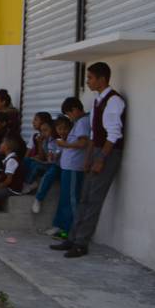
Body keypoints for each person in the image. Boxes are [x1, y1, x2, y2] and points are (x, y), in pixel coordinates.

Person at [52, 62, 125, 258]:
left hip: (108, 154)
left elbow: (113, 134)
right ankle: (73, 237)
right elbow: (94, 134)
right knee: (84, 197)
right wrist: (89, 156)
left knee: (94, 200)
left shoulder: (114, 101)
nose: (88, 81)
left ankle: (82, 242)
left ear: (102, 79)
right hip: (96, 152)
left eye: (91, 78)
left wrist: (101, 158)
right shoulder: (97, 100)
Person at [50, 99, 90, 237]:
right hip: (68, 167)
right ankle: (65, 228)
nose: (69, 117)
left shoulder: (83, 122)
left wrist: (65, 145)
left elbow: (83, 142)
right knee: (66, 198)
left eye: (69, 114)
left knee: (73, 200)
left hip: (74, 167)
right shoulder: (78, 122)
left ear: (74, 110)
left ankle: (73, 231)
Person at [24, 118, 61, 213]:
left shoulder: (58, 141)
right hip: (48, 164)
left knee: (46, 172)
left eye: (45, 130)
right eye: (41, 131)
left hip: (58, 166)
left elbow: (56, 159)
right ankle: (28, 183)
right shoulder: (46, 141)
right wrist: (40, 143)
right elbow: (42, 157)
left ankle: (38, 199)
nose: (43, 133)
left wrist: (47, 160)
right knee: (27, 161)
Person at [0, 135, 27, 211]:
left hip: (13, 189)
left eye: (2, 143)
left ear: (7, 147)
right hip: (8, 187)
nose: (0, 145)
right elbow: (4, 175)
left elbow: (8, 180)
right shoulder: (8, 159)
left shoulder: (11, 161)